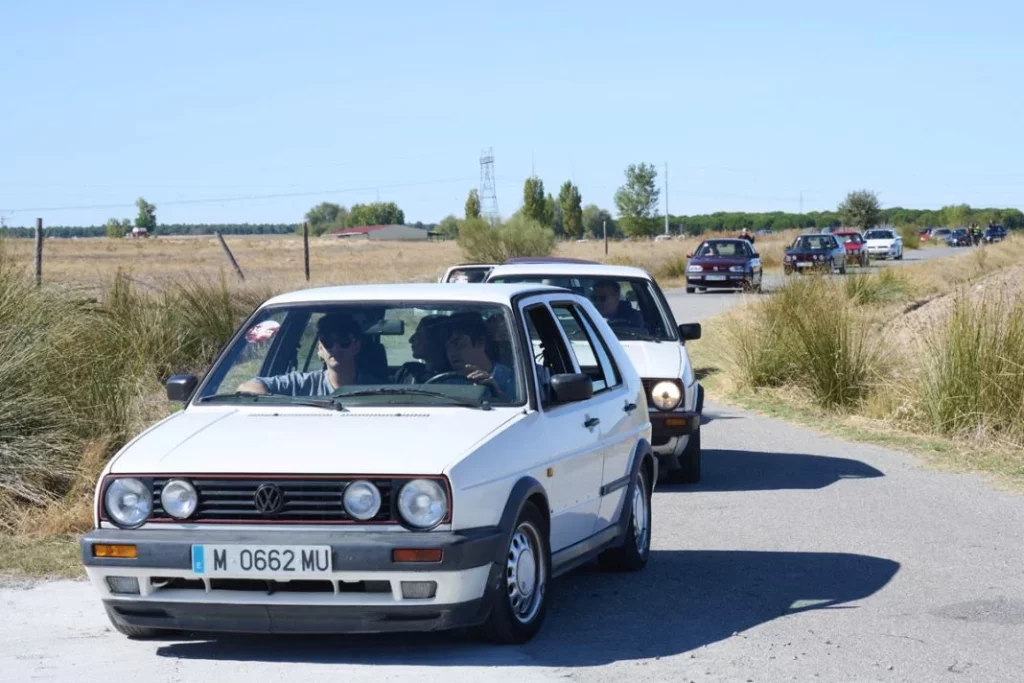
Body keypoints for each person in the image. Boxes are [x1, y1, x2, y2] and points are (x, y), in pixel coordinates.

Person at [237, 313, 383, 396]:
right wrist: (271, 401)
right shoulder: (300, 383)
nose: (336, 347)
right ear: (320, 349)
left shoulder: (377, 389)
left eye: (344, 341)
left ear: (356, 346)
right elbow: (247, 386)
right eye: (328, 342)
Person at [437, 312, 517, 399]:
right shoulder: (446, 383)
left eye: (458, 344)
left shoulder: (514, 379)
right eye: (447, 347)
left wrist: (496, 393)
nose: (451, 352)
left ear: (480, 343)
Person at [394, 315, 450, 383]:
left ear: (435, 339)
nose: (410, 340)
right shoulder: (407, 371)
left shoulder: (457, 378)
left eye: (418, 334)